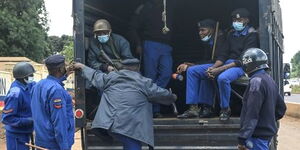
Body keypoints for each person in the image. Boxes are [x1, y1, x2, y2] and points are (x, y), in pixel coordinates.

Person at [71, 58, 177, 150]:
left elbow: (95, 75)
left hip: (110, 125)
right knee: (132, 144)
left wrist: (82, 66)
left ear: (122, 67)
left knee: (128, 143)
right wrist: (173, 97)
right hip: (131, 126)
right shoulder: (144, 82)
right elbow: (162, 94)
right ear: (138, 68)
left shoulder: (110, 78)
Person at [201, 8, 259, 121]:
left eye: (239, 19)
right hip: (227, 64)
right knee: (206, 74)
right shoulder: (231, 34)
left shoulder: (252, 35)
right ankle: (207, 107)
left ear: (246, 20)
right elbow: (224, 53)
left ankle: (225, 109)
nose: (236, 22)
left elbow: (244, 59)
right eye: (234, 19)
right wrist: (213, 67)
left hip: (241, 66)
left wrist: (221, 69)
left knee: (223, 78)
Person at [129, 0, 174, 117]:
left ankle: (152, 98)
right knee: (150, 76)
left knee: (166, 73)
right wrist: (138, 44)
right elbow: (133, 27)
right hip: (150, 43)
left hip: (166, 45)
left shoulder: (169, 7)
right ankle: (154, 110)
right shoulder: (144, 8)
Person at [177, 19, 229, 118]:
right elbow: (207, 60)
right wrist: (192, 64)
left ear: (212, 30)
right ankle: (207, 108)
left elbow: (220, 59)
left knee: (192, 71)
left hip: (223, 66)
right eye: (199, 30)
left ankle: (193, 108)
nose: (200, 33)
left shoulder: (221, 40)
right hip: (213, 65)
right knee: (202, 72)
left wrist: (191, 67)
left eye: (203, 30)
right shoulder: (209, 42)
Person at [238, 48, 286, 150]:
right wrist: (267, 121)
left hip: (256, 138)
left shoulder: (256, 81)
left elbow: (252, 113)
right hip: (266, 137)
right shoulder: (270, 80)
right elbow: (281, 109)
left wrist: (243, 138)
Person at [31, 55, 74, 150]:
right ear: (60, 69)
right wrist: (64, 147)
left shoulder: (38, 85)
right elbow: (59, 122)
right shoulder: (56, 90)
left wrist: (65, 76)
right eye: (64, 67)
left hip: (41, 141)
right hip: (54, 144)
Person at [1, 62, 35, 150]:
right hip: (16, 136)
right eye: (31, 75)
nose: (32, 77)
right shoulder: (15, 94)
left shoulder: (28, 85)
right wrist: (29, 120)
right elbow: (7, 118)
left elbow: (41, 85)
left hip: (25, 132)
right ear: (23, 77)